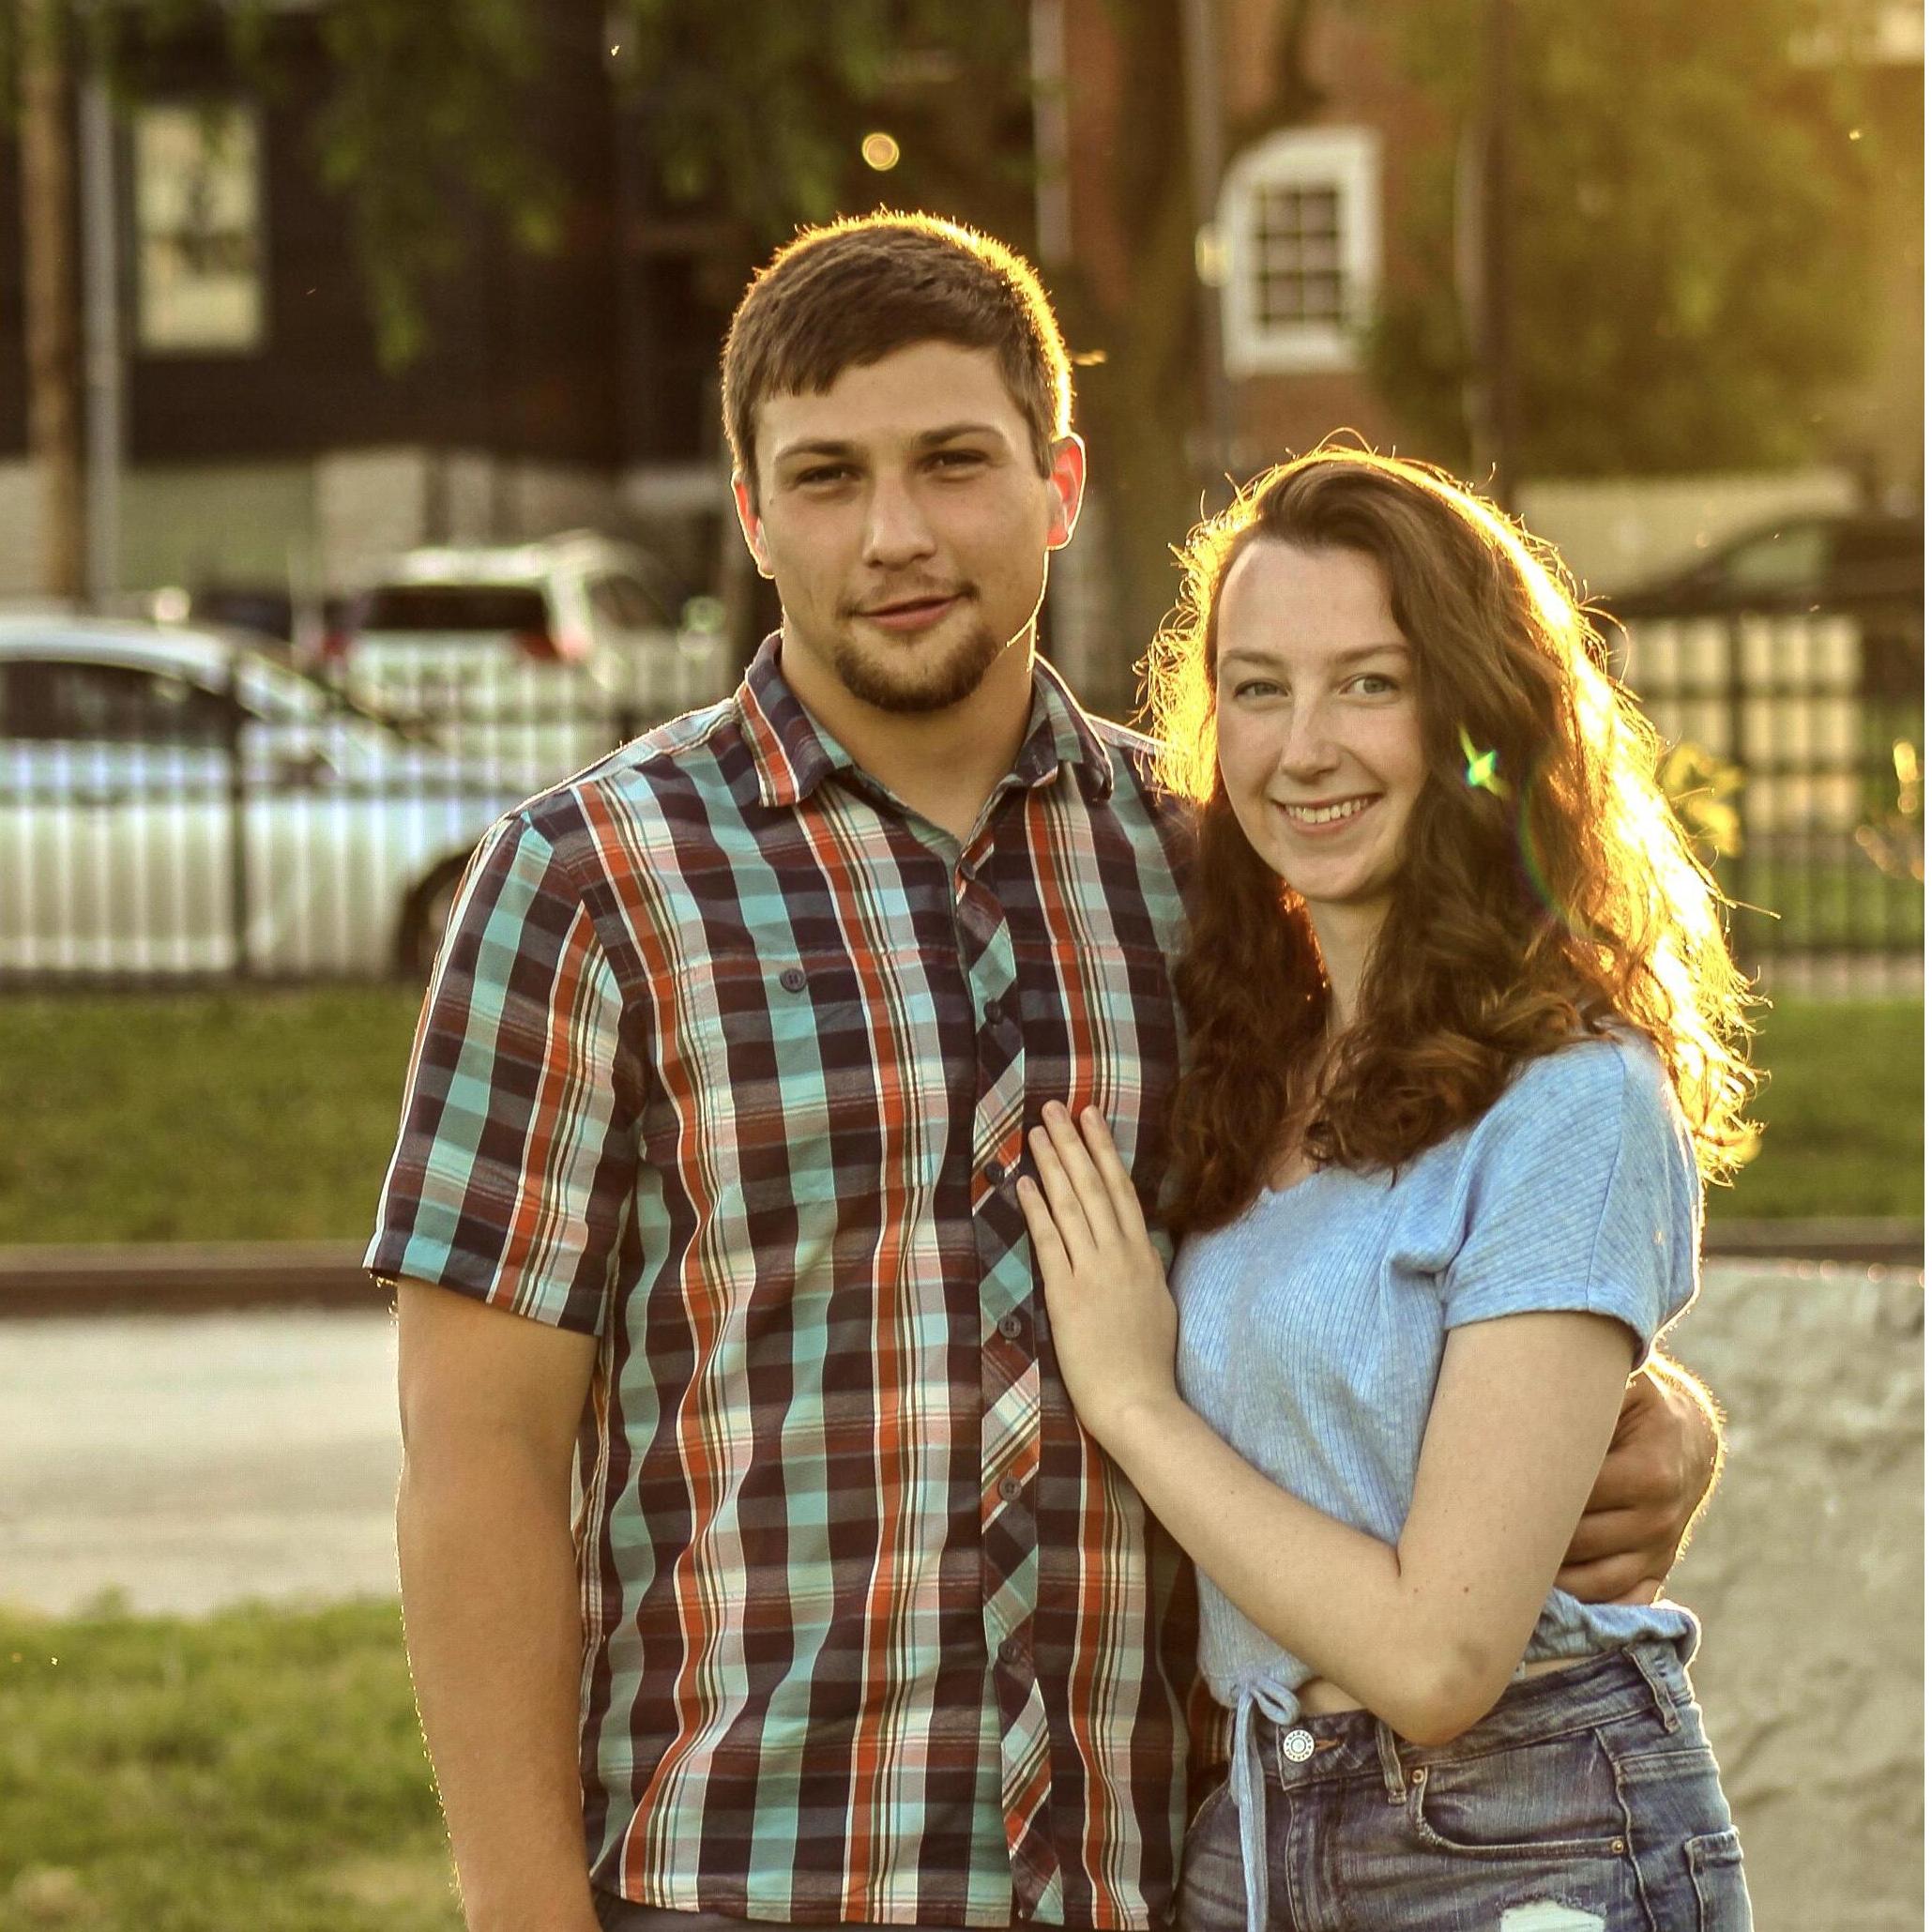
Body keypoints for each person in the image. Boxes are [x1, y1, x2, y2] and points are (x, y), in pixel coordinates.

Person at [368, 215, 1723, 1932]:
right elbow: (474, 1460)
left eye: (953, 462)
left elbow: (1432, 1228)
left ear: (1059, 485)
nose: (899, 534)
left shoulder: (1225, 872)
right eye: (830, 478)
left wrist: (1651, 1422)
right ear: (753, 519)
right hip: (741, 1878)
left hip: (1159, 1874)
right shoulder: (586, 890)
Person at [1016, 447, 1756, 1932]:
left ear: (1473, 720)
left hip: (1524, 1843)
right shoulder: (1254, 1064)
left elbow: (1437, 1665)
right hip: (1258, 1835)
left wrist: (1135, 1400)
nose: (1304, 747)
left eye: (1371, 683)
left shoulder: (1574, 1095)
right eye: (1258, 687)